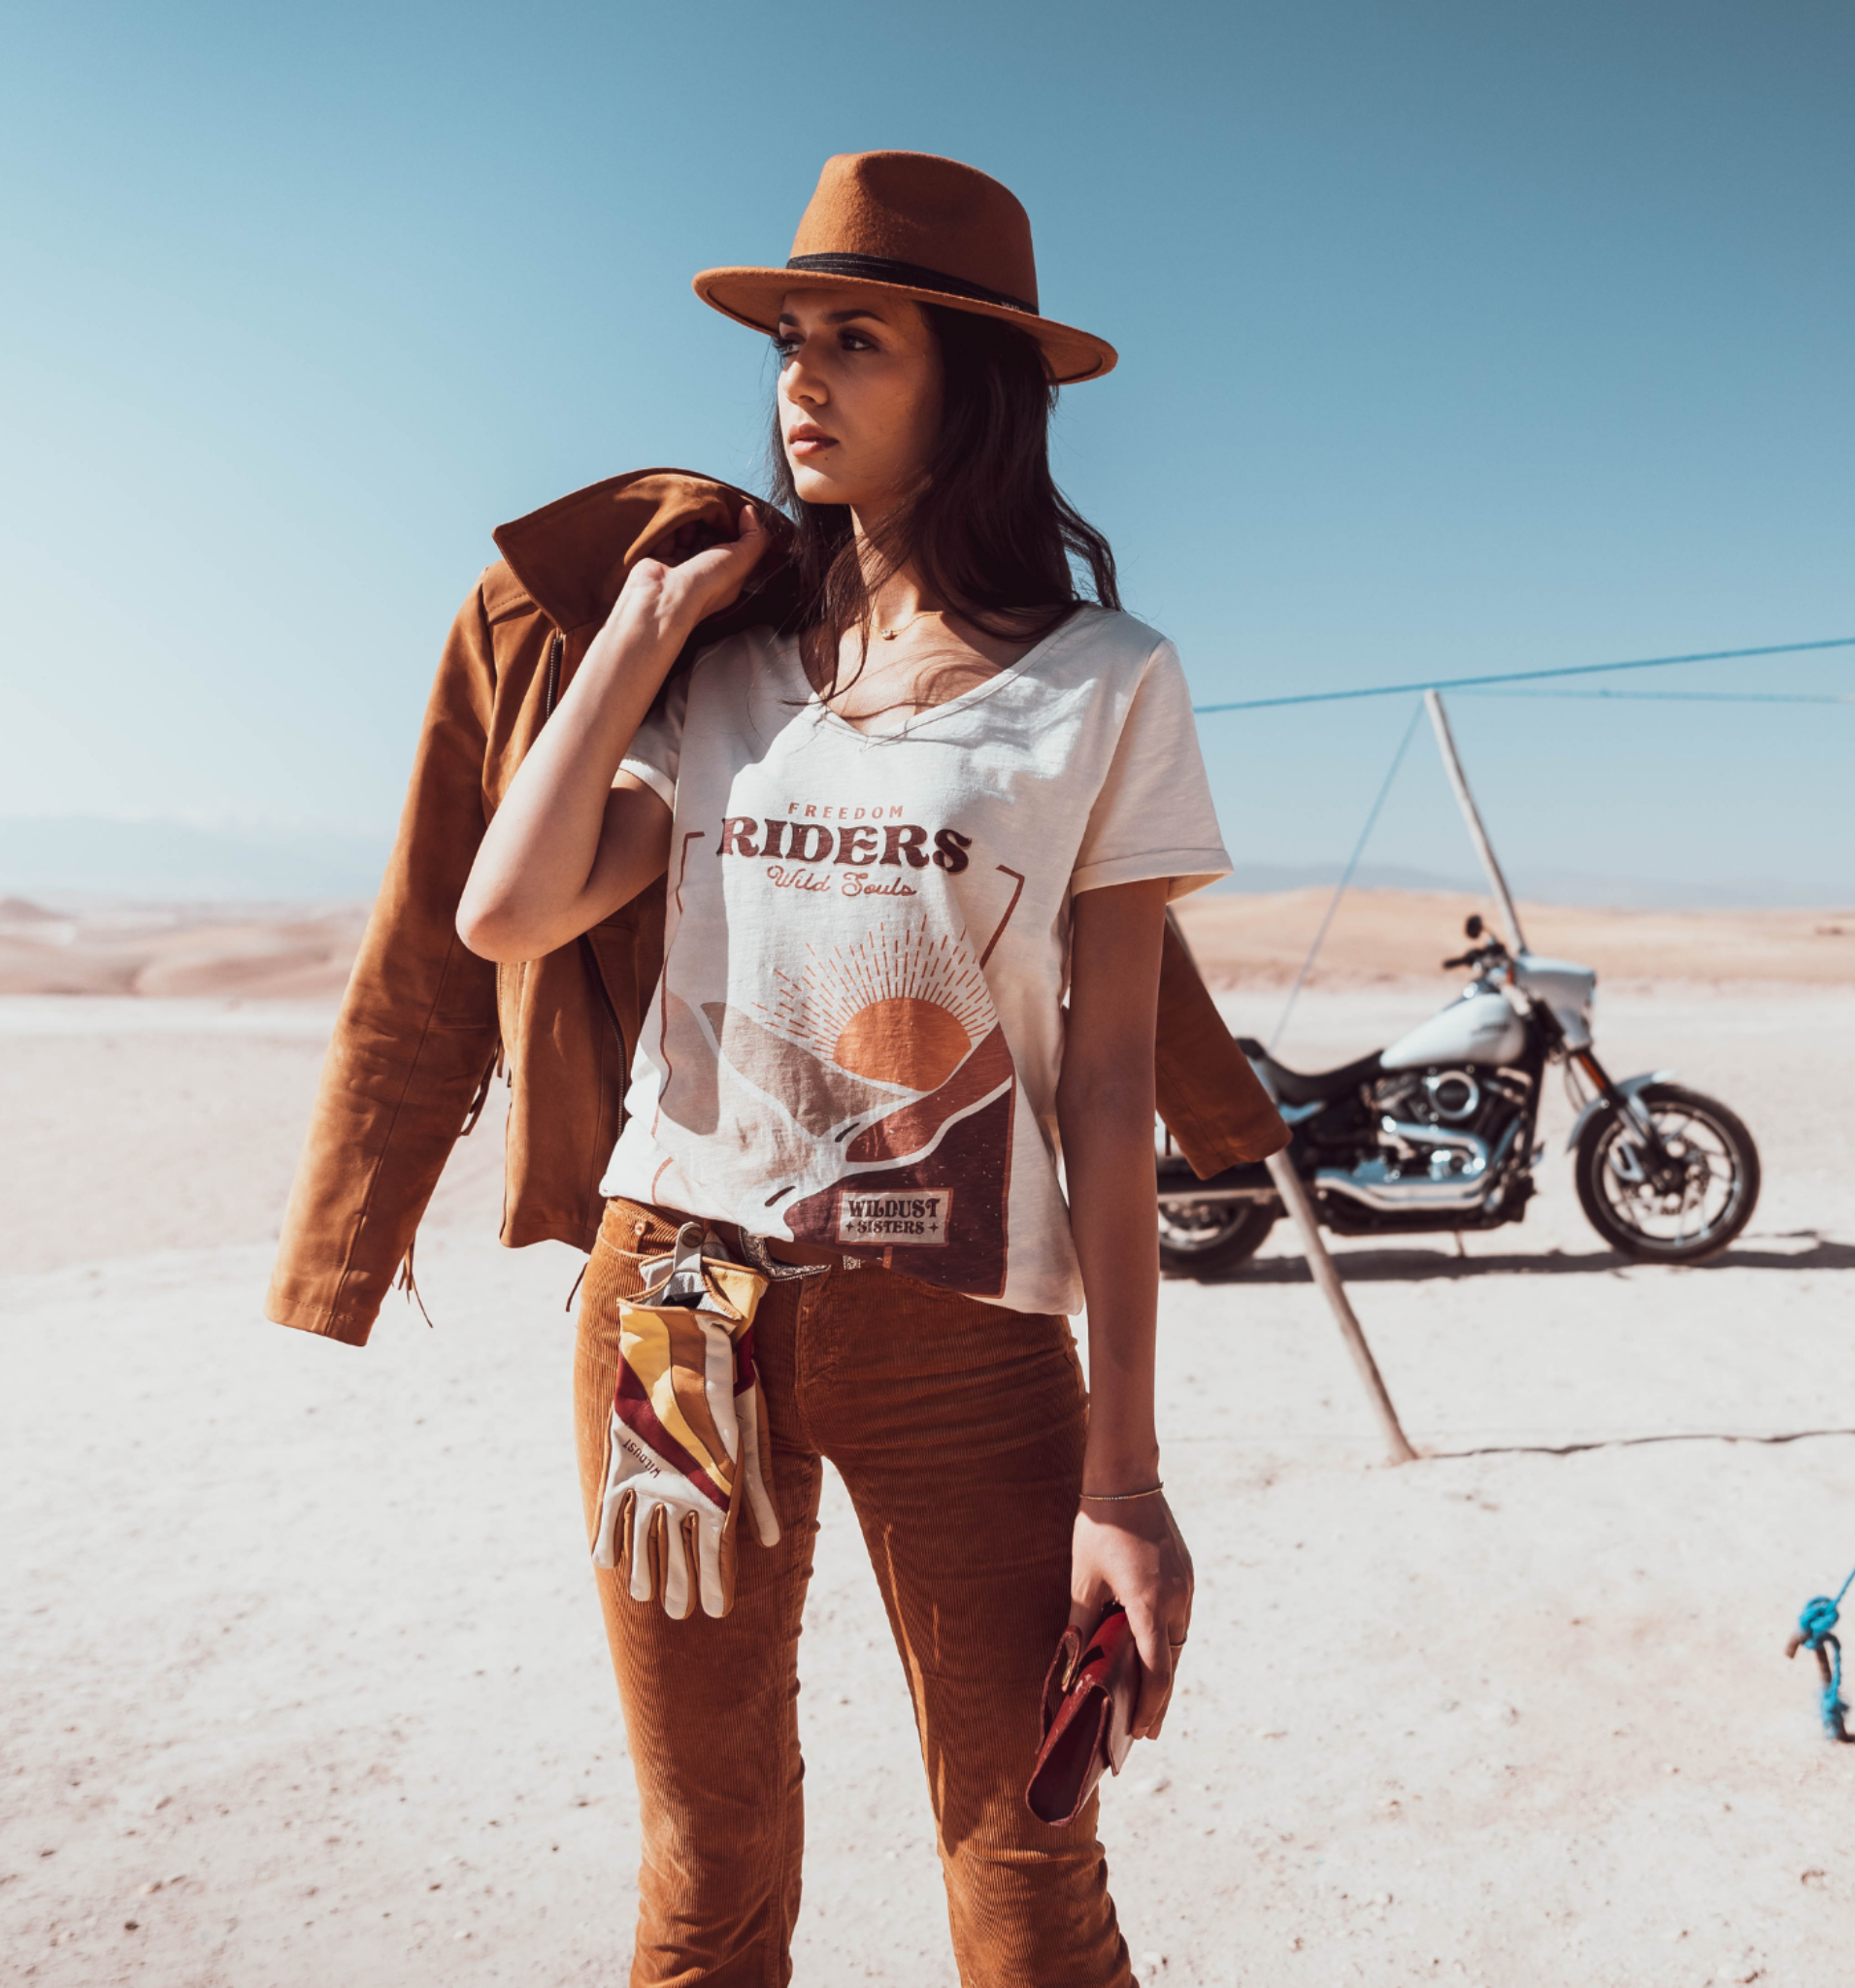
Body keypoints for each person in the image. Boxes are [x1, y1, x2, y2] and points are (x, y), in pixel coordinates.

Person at [460, 149, 1235, 1986]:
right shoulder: (733, 671)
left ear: (971, 382)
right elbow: (511, 910)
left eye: (855, 340)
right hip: (671, 1309)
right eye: (791, 341)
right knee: (704, 1867)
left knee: (1027, 1865)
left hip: (965, 1328)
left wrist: (1123, 1480)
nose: (800, 380)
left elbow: (1109, 1092)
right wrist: (643, 635)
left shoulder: (1107, 682)